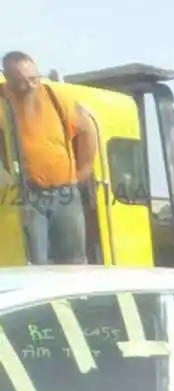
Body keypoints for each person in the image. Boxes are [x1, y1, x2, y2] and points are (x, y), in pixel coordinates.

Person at [2, 51, 95, 264]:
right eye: (21, 81)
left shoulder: (57, 97)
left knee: (73, 260)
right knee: (38, 262)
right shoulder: (2, 100)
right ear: (7, 78)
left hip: (65, 193)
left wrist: (85, 170)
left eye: (34, 79)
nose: (30, 85)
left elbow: (87, 130)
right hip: (27, 195)